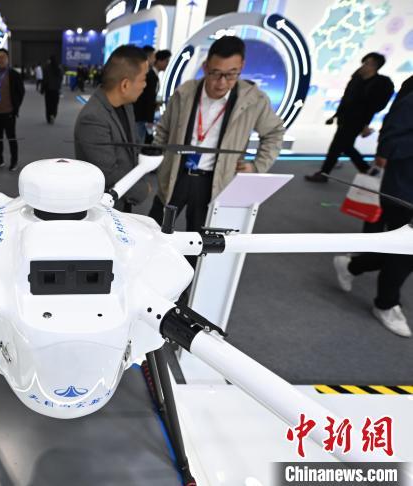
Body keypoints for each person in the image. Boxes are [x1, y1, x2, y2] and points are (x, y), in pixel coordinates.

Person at [150, 36, 285, 233]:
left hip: (215, 182)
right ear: (205, 67)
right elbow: (163, 129)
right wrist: (159, 162)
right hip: (176, 174)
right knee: (153, 230)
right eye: (216, 73)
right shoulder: (185, 92)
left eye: (231, 74)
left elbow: (274, 132)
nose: (222, 83)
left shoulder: (253, 100)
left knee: (201, 240)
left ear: (241, 67)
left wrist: (257, 166)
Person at [332, 89, 413, 337]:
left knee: (402, 252)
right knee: (405, 251)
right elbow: (389, 141)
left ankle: (353, 265)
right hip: (404, 190)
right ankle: (386, 304)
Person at [74, 45, 150, 211]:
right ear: (125, 85)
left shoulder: (126, 105)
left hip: (123, 199)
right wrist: (142, 189)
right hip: (103, 208)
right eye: (143, 79)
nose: (145, 85)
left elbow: (132, 148)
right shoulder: (93, 118)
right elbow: (108, 174)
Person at [305, 52, 394, 182]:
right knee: (343, 146)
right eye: (364, 63)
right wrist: (336, 115)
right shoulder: (357, 79)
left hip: (357, 121)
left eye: (367, 63)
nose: (363, 66)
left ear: (375, 66)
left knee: (339, 146)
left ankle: (326, 173)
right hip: (345, 118)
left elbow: (372, 106)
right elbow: (346, 98)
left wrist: (365, 124)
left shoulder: (379, 84)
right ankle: (364, 169)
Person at [0, 48, 25, 172]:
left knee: (11, 138)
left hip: (8, 112)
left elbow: (21, 92)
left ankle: (14, 161)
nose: (0, 59)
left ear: (8, 58)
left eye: (3, 57)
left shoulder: (14, 74)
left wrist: (15, 107)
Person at [133, 49, 171, 145]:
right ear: (159, 61)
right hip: (141, 116)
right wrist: (150, 120)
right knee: (138, 142)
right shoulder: (151, 76)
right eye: (166, 61)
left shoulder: (153, 75)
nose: (167, 64)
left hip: (142, 116)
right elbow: (148, 99)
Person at [42, 55, 63, 124]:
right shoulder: (59, 68)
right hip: (56, 89)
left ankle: (49, 117)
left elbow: (45, 79)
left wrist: (42, 89)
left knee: (48, 104)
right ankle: (53, 115)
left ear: (50, 60)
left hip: (48, 89)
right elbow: (61, 79)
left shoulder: (46, 68)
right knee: (55, 104)